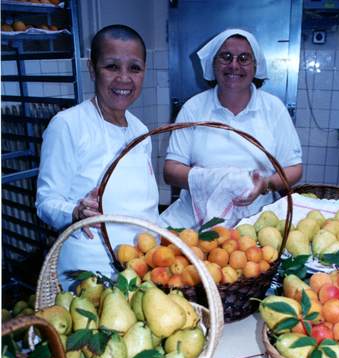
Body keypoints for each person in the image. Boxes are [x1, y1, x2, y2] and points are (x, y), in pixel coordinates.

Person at [36, 24, 159, 290]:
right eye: (112, 67)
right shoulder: (68, 125)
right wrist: (75, 212)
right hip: (91, 272)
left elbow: (143, 206)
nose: (124, 79)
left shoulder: (141, 130)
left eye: (134, 68)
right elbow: (46, 202)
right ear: (92, 69)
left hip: (142, 265)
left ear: (144, 73)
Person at [160, 28, 302, 229]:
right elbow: (171, 170)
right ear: (213, 63)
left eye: (243, 58)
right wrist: (214, 181)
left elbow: (294, 168)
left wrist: (266, 184)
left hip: (256, 219)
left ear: (255, 66)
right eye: (226, 57)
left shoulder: (273, 108)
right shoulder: (194, 107)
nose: (234, 65)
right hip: (195, 215)